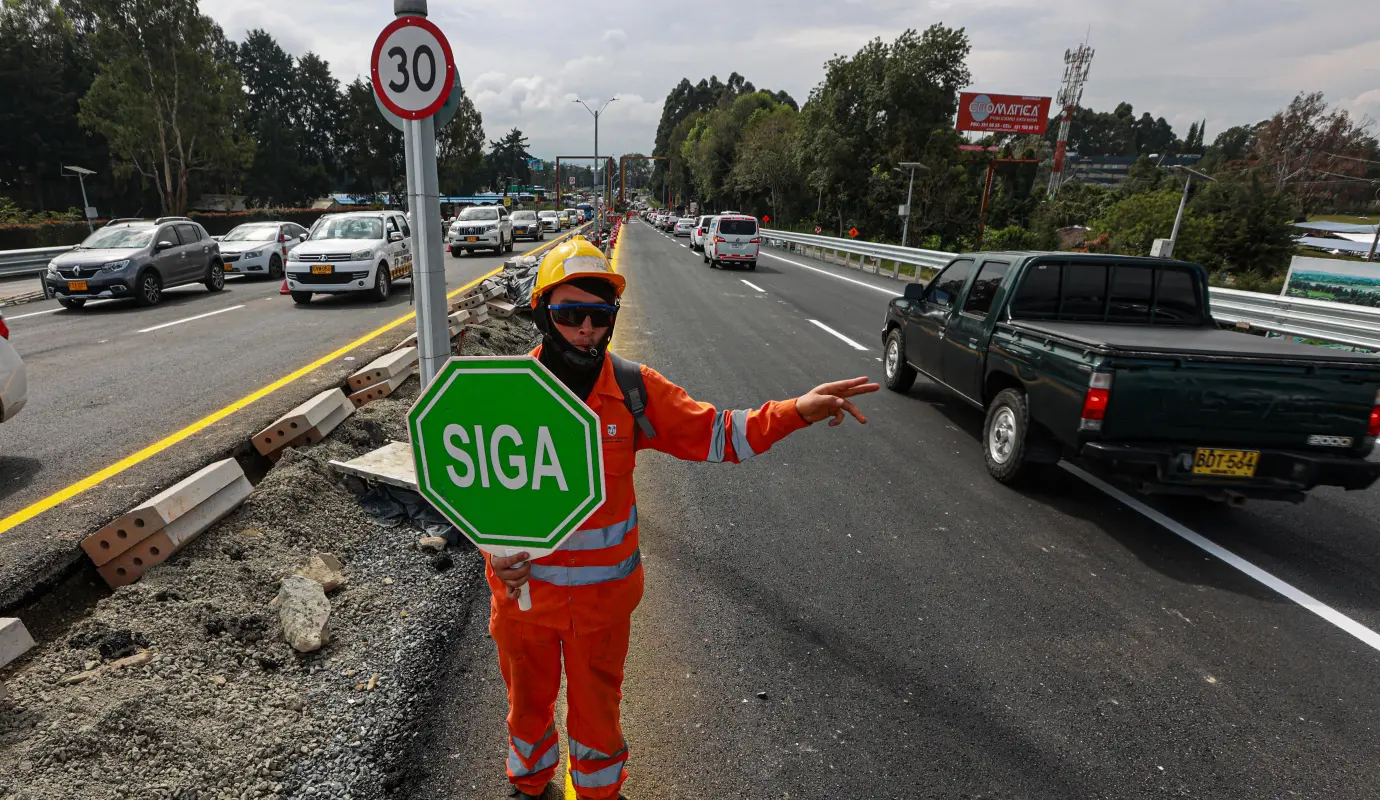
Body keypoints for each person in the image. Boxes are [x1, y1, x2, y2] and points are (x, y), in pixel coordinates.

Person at [488, 236, 879, 799]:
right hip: (524, 606)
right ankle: (527, 784)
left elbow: (718, 433)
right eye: (570, 314)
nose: (586, 331)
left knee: (598, 720)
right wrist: (495, 556)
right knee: (526, 710)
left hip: (601, 610)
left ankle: (599, 792)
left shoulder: (632, 392)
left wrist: (798, 410)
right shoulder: (504, 396)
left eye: (599, 317)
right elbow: (472, 493)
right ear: (542, 314)